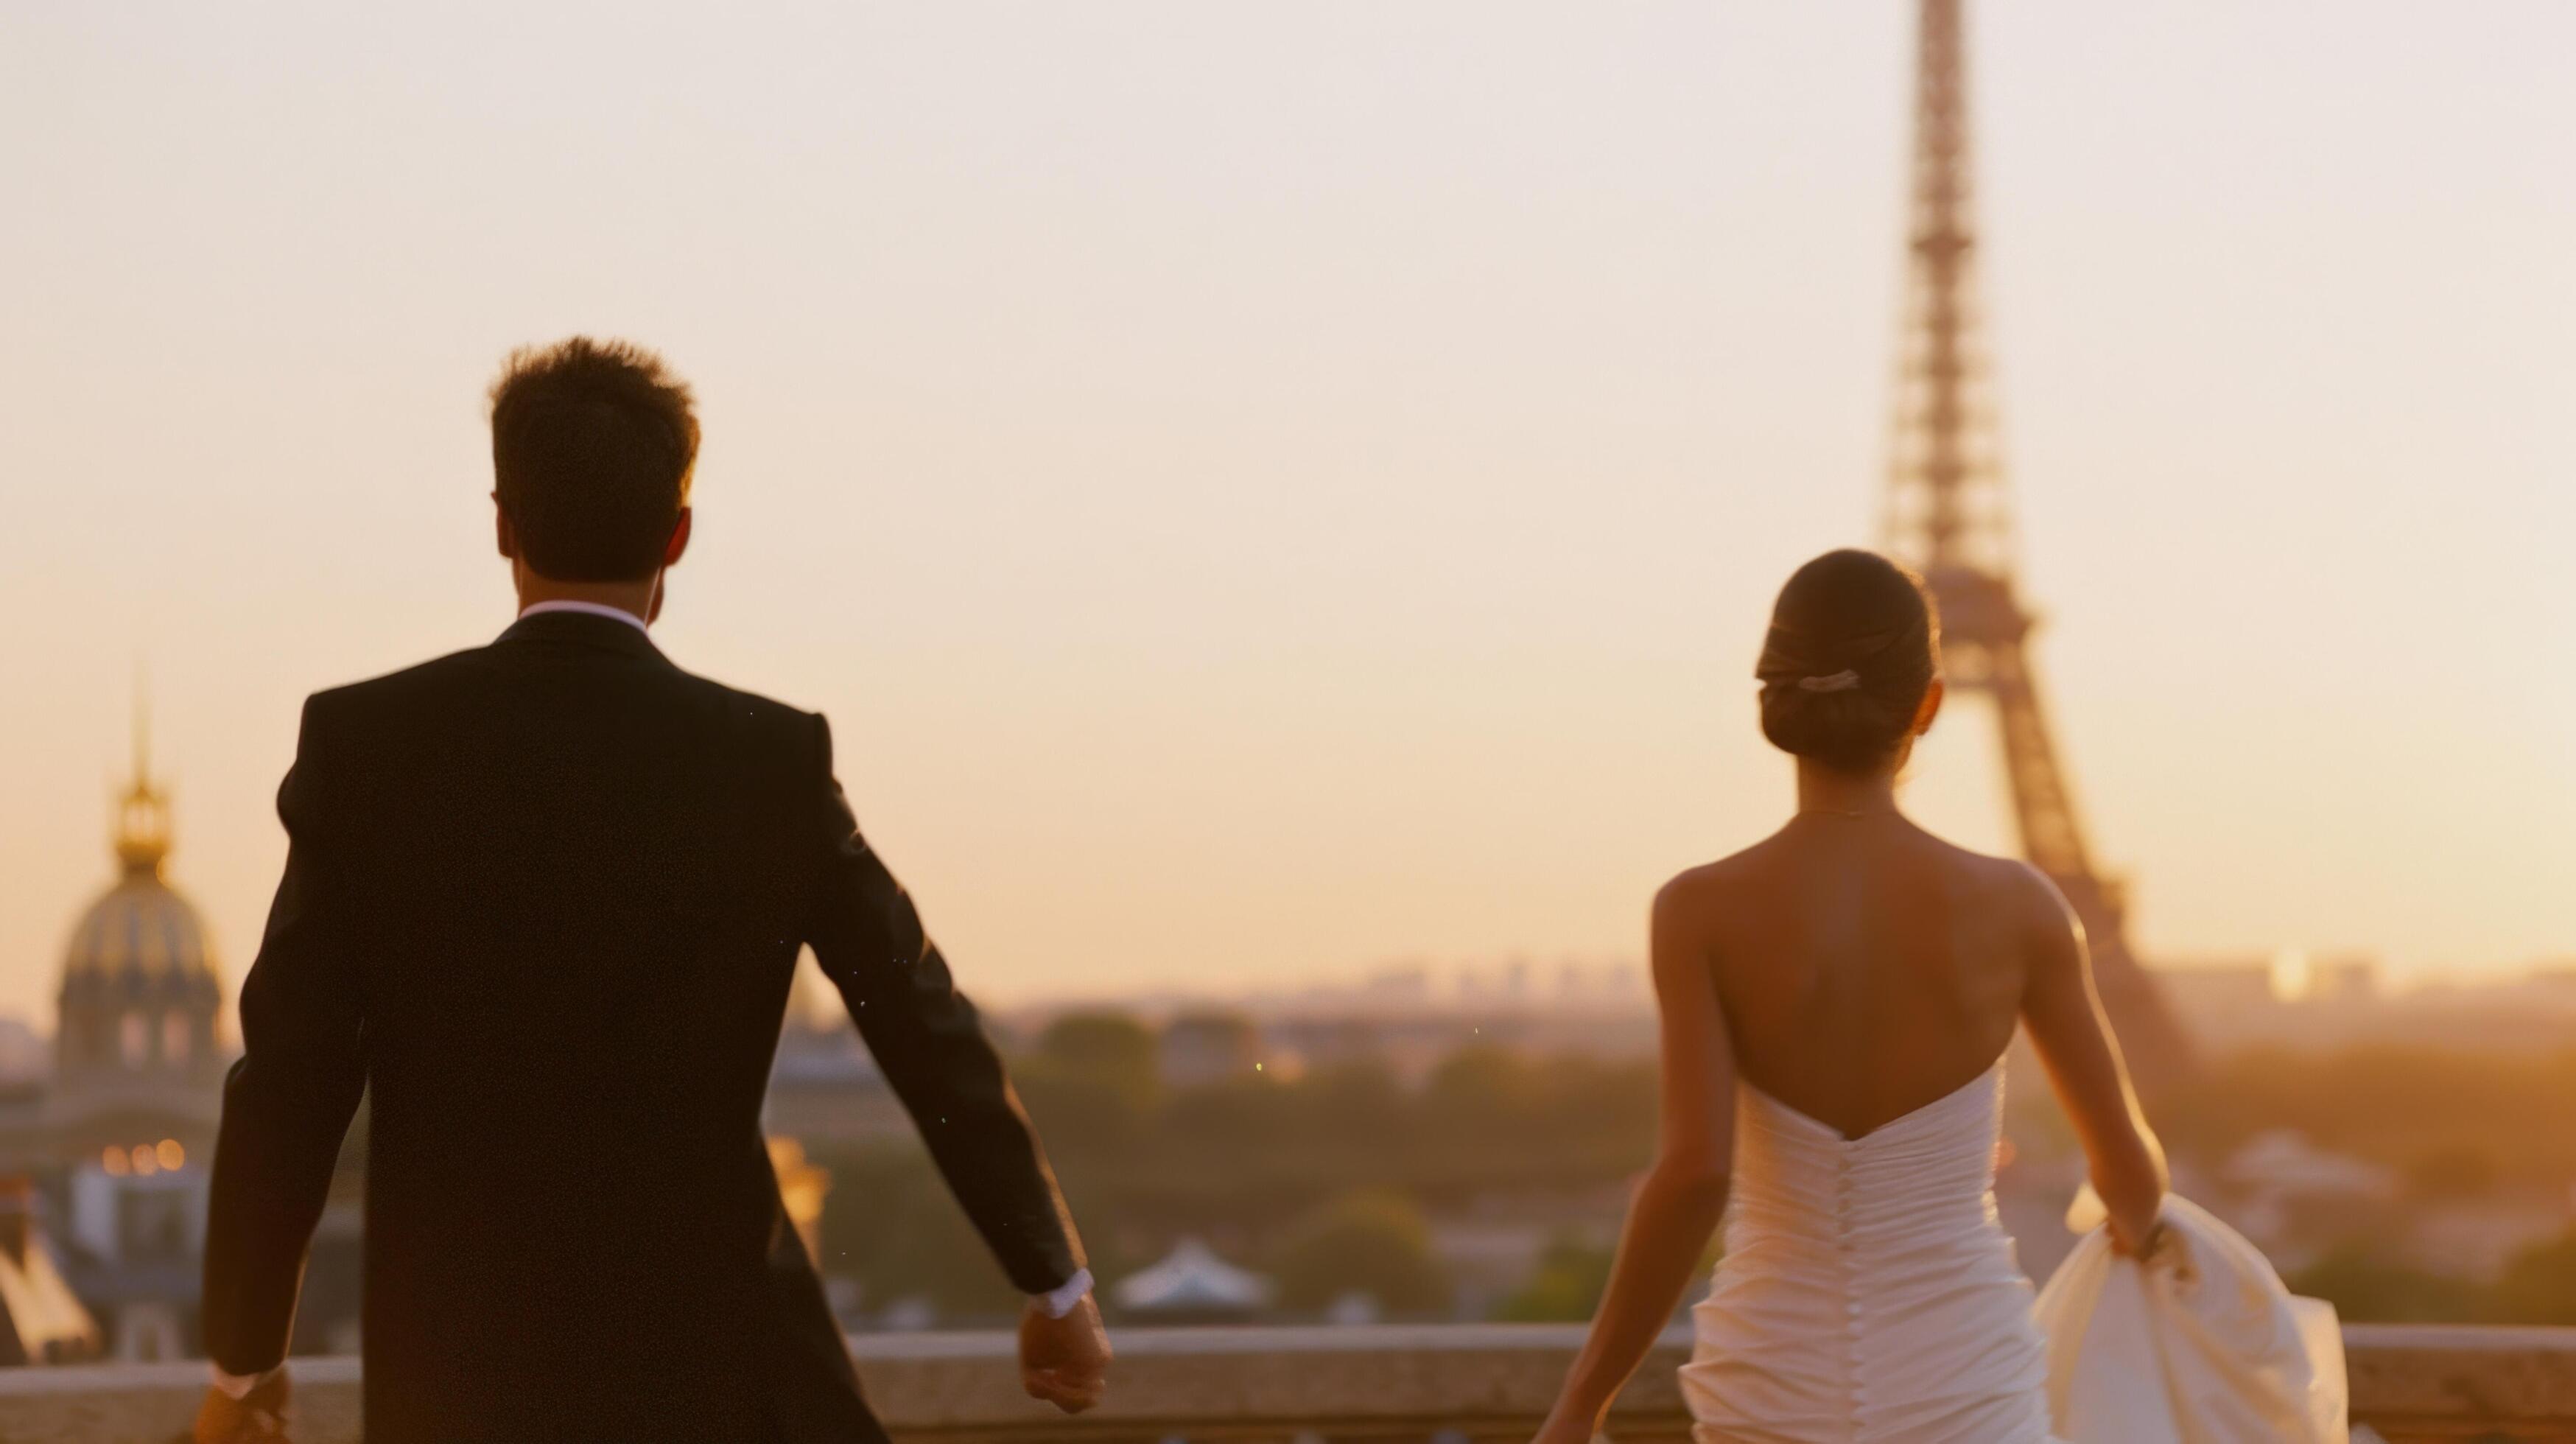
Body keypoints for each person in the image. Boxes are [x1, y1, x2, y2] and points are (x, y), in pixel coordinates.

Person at [194, 337, 1111, 1444]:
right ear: (677, 533)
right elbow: (919, 1020)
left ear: (503, 525)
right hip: (721, 1370)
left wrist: (246, 1362)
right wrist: (1050, 1283)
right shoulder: (770, 762)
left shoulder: (369, 751)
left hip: (460, 1378)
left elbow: (289, 1079)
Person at [1533, 548, 2167, 1444]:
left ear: (1771, 708)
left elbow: (1693, 1174)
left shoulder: (1697, 911)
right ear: (1929, 703)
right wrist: (2151, 1245)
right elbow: (2129, 1179)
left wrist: (1581, 1400)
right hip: (1965, 1380)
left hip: (1771, 1379)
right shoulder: (2020, 909)